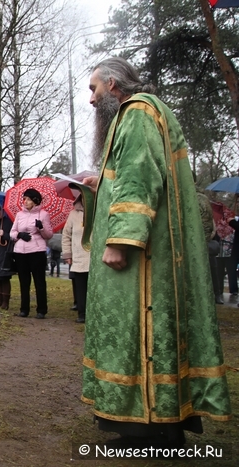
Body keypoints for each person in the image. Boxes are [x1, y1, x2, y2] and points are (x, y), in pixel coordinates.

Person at [82, 57, 231, 446]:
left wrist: (120, 241)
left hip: (143, 259)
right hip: (157, 249)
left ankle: (148, 427)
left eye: (94, 89)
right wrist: (102, 183)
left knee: (140, 333)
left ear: (113, 85)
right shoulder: (149, 113)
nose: (92, 100)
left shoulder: (137, 113)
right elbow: (138, 174)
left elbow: (140, 180)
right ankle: (155, 424)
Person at [10, 189, 53, 318]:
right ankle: (24, 309)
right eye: (24, 199)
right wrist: (19, 235)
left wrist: (41, 228)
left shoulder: (43, 214)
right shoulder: (19, 215)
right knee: (24, 281)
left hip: (37, 251)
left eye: (28, 199)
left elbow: (49, 235)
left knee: (39, 281)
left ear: (35, 200)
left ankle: (41, 310)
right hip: (20, 251)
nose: (25, 202)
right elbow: (12, 233)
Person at [61, 194, 89, 323]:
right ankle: (82, 313)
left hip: (95, 258)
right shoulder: (73, 214)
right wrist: (67, 254)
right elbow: (66, 235)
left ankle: (94, 313)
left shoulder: (100, 211)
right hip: (78, 257)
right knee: (80, 287)